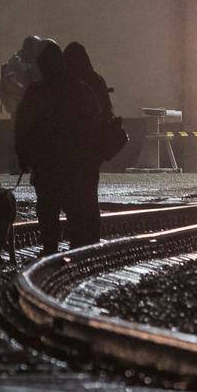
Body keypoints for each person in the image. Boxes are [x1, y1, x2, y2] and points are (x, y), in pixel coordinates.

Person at [15, 42, 104, 253]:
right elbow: (95, 124)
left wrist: (23, 156)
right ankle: (78, 246)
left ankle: (50, 246)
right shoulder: (81, 89)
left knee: (47, 207)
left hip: (45, 163)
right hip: (77, 163)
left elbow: (23, 127)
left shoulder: (35, 92)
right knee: (76, 206)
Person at [63, 41, 117, 245]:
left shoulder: (65, 84)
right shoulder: (96, 81)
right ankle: (92, 236)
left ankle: (76, 235)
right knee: (89, 193)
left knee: (71, 195)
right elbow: (106, 113)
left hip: (69, 150)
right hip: (91, 150)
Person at [0, 35, 44, 116]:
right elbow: (10, 81)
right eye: (36, 47)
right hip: (20, 104)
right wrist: (26, 92)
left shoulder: (39, 61)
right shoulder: (16, 62)